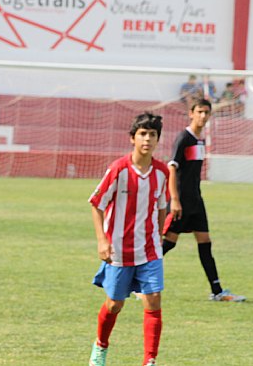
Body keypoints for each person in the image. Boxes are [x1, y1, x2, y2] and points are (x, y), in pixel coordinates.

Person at [88, 113, 169, 366]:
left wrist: (158, 235)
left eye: (152, 134)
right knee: (114, 305)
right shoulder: (119, 169)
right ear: (133, 138)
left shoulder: (162, 172)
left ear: (157, 139)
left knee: (154, 299)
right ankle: (100, 347)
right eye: (143, 134)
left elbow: (162, 207)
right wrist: (102, 241)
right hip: (119, 251)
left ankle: (150, 360)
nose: (148, 138)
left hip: (150, 250)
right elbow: (96, 203)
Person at [162, 98, 246, 302]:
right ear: (191, 113)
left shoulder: (201, 139)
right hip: (181, 200)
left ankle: (217, 291)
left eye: (206, 112)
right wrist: (174, 199)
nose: (203, 116)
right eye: (199, 111)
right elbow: (171, 168)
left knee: (205, 242)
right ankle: (138, 282)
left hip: (196, 201)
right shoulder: (184, 138)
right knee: (168, 243)